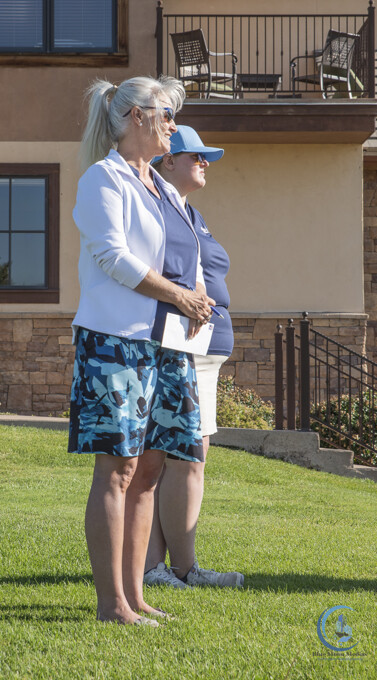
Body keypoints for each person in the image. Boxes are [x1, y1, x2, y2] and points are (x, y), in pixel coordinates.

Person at [68, 80, 215, 625]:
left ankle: (136, 595)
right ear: (135, 116)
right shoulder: (101, 179)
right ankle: (111, 605)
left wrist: (195, 298)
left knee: (150, 470)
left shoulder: (161, 188)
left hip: (166, 346)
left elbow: (182, 256)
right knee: (119, 468)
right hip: (116, 342)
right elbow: (113, 257)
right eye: (166, 114)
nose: (174, 124)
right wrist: (180, 296)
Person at [144, 126, 244, 588]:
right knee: (179, 457)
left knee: (191, 455)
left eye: (207, 157)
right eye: (195, 156)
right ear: (168, 160)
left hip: (205, 350)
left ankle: (171, 567)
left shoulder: (190, 213)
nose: (205, 163)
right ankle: (168, 568)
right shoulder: (157, 206)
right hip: (179, 344)